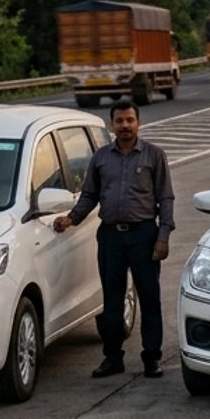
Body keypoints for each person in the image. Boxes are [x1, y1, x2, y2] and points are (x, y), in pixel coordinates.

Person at [54, 100, 175, 379]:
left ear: (138, 123)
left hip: (144, 235)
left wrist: (163, 236)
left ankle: (151, 358)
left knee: (149, 298)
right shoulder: (100, 158)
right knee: (111, 300)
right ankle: (112, 357)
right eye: (119, 121)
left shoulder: (154, 156)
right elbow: (89, 196)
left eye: (130, 120)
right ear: (112, 125)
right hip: (110, 237)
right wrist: (71, 219)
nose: (125, 126)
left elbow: (166, 197)